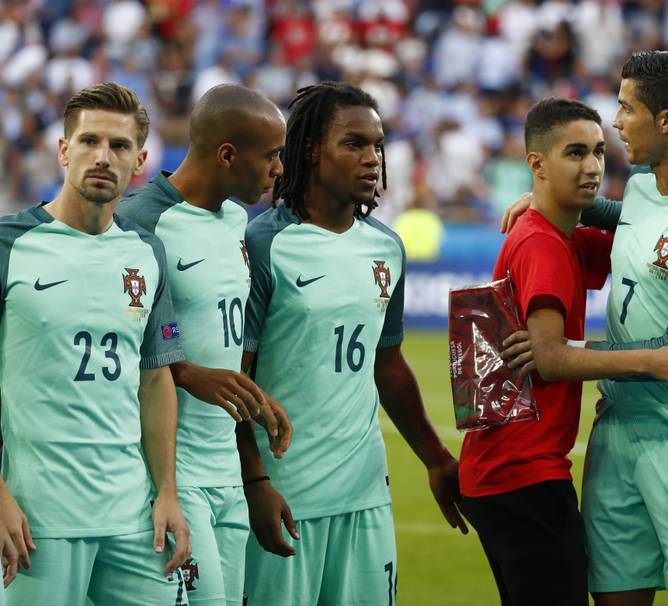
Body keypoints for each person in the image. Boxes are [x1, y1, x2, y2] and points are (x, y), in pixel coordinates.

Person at [459, 97, 668, 606]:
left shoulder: (562, 237)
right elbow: (552, 357)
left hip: (508, 468)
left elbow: (659, 238)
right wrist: (654, 360)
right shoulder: (541, 243)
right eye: (575, 153)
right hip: (522, 472)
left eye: (600, 152)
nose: (592, 167)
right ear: (536, 163)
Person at [236, 81, 466, 606]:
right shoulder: (263, 244)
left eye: (378, 145)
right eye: (355, 144)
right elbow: (236, 378)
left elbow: (388, 365)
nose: (373, 159)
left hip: (365, 493)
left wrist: (435, 459)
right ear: (312, 149)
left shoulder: (386, 247)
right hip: (285, 493)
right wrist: (254, 482)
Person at [0, 82, 190, 604]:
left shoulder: (145, 252)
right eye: (88, 141)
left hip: (133, 517)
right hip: (37, 522)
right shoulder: (8, 245)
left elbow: (155, 380)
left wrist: (168, 492)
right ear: (64, 150)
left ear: (141, 161)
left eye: (120, 146)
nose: (103, 156)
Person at [117, 84, 293, 605]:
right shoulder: (142, 221)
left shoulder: (238, 219)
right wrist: (188, 373)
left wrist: (251, 398)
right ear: (227, 155)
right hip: (171, 472)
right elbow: (119, 342)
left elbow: (219, 334)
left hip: (226, 474)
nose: (278, 169)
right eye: (271, 156)